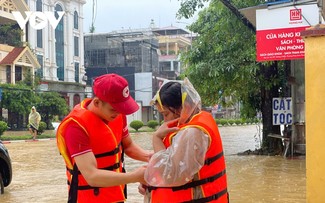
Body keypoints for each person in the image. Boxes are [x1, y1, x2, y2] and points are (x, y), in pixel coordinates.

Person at [56, 73, 152, 203]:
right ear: (97, 102)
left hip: (115, 195)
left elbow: (128, 146)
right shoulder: (75, 127)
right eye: (114, 109)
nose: (118, 113)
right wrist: (136, 176)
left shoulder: (117, 114)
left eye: (121, 108)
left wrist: (152, 158)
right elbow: (92, 176)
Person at [140, 78, 229, 203]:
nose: (164, 120)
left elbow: (171, 174)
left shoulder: (193, 132)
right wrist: (150, 183)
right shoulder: (190, 125)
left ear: (183, 108)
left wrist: (156, 139)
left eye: (166, 114)